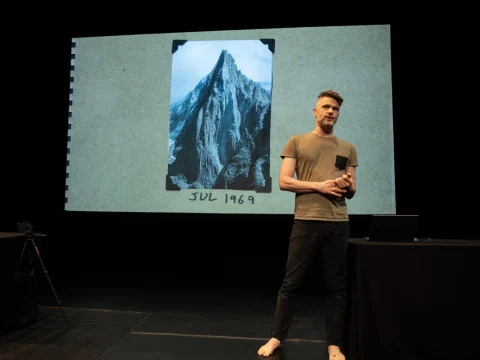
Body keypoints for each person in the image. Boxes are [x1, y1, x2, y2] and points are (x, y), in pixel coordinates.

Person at [257, 90, 358, 360]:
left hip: (338, 223)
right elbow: (284, 181)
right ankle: (277, 337)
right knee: (291, 283)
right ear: (315, 111)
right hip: (306, 221)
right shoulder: (297, 142)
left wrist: (347, 186)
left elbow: (352, 190)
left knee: (336, 287)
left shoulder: (347, 148)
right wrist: (319, 186)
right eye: (325, 107)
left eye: (335, 109)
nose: (330, 112)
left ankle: (334, 344)